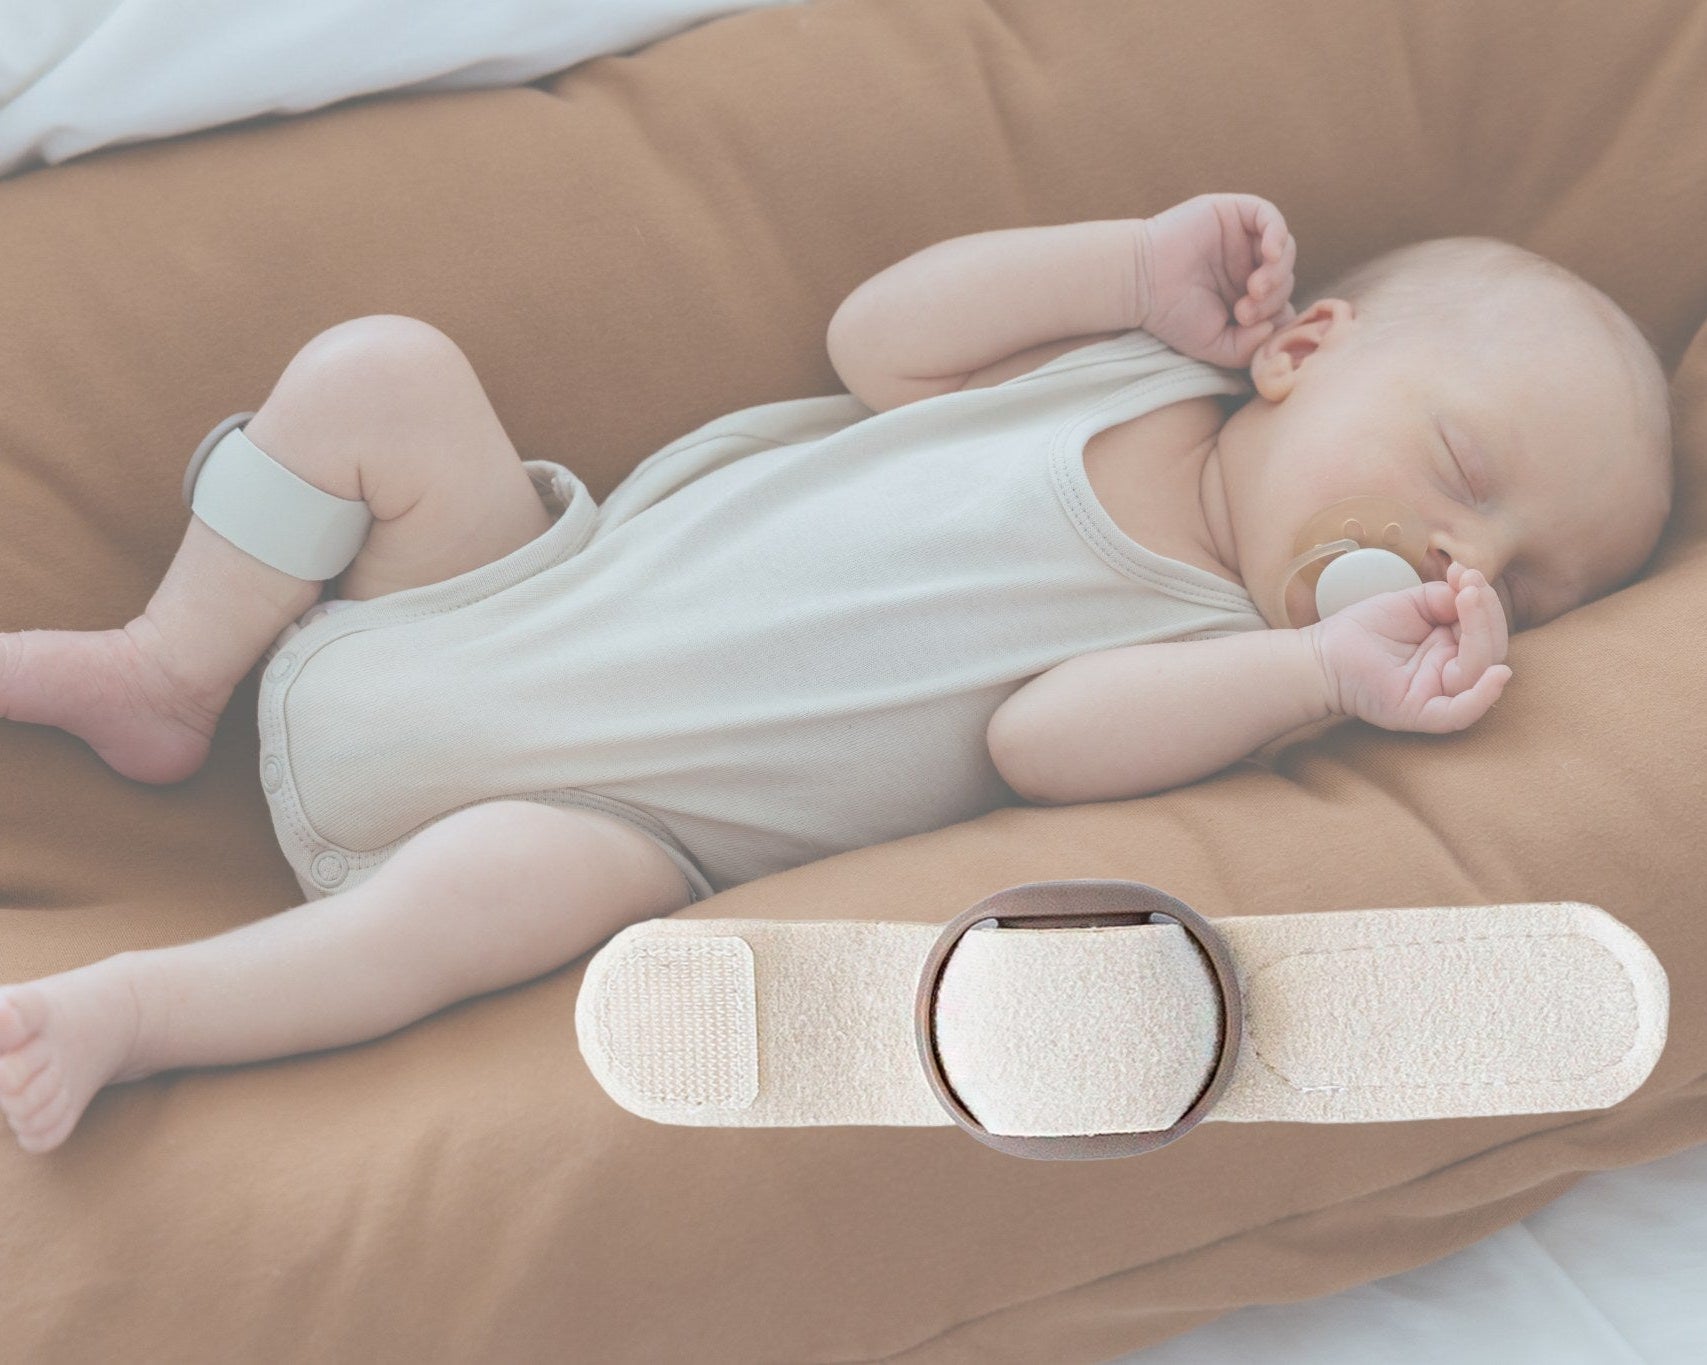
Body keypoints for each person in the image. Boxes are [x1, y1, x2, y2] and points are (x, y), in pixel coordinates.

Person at [0, 193, 1673, 1153]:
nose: (1460, 556)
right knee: (383, 374)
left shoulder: (1238, 660)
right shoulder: (1124, 367)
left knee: (460, 920)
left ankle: (140, 1011)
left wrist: (1318, 670)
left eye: (1524, 582)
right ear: (1302, 348)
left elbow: (1044, 741)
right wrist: (1123, 267)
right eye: (1461, 468)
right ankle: (171, 668)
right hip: (499, 588)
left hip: (603, 817)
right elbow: (882, 339)